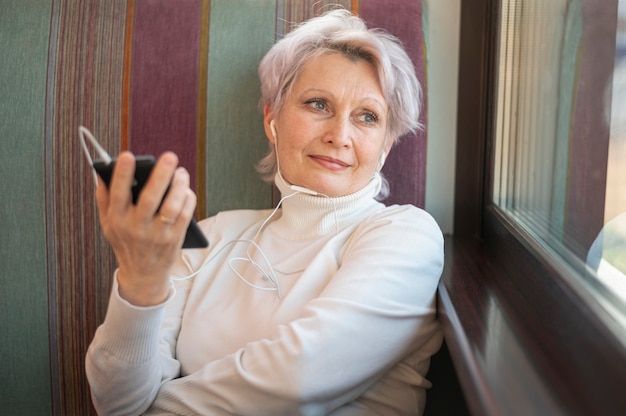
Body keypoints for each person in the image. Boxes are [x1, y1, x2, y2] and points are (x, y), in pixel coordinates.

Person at [86, 8, 444, 415]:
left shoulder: (406, 236)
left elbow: (299, 379)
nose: (339, 135)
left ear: (385, 146)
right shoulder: (210, 236)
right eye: (318, 104)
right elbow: (114, 399)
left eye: (367, 117)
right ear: (272, 119)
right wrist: (140, 281)